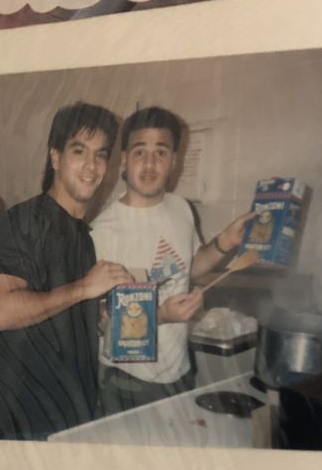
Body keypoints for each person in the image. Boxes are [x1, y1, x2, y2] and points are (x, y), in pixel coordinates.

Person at [91, 106, 253, 414]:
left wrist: (224, 243)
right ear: (124, 159)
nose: (150, 163)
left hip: (180, 370)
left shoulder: (181, 208)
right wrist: (162, 315)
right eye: (140, 152)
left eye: (161, 152)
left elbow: (189, 266)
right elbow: (102, 325)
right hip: (128, 381)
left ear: (174, 161)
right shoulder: (102, 231)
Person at [0, 102, 131, 439]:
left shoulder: (83, 236)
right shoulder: (20, 222)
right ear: (55, 158)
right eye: (80, 151)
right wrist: (82, 289)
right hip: (22, 418)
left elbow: (58, 310)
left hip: (71, 414)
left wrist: (98, 314)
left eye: (101, 154)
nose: (92, 166)